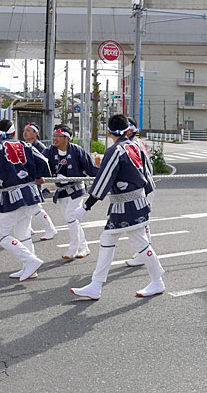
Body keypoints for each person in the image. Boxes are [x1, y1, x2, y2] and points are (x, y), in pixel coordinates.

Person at [70, 114, 165, 300]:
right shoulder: (135, 146)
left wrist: (86, 206)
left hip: (125, 205)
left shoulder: (116, 150)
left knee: (133, 242)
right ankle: (97, 285)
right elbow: (147, 173)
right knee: (113, 240)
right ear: (127, 129)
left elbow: (103, 180)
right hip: (137, 201)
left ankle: (156, 280)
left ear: (109, 131)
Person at [0, 119, 50, 281]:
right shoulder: (26, 145)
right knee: (23, 233)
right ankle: (30, 269)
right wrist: (39, 175)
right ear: (14, 133)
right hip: (31, 192)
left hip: (13, 195)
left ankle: (31, 261)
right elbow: (43, 161)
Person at [46, 124, 99, 260]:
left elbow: (91, 168)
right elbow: (41, 164)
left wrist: (102, 178)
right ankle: (84, 247)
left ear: (67, 138)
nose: (55, 138)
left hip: (76, 188)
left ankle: (73, 248)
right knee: (71, 220)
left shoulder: (77, 150)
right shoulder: (50, 150)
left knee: (71, 216)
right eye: (54, 136)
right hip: (61, 190)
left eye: (58, 136)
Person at [124, 117, 155, 268]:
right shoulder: (137, 142)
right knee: (143, 222)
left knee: (139, 224)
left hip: (142, 188)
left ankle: (144, 255)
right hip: (146, 186)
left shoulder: (132, 144)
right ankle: (144, 252)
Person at [22, 122, 57, 241]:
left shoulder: (39, 147)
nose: (25, 133)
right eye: (24, 130)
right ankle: (27, 229)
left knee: (35, 206)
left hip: (35, 180)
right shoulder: (25, 145)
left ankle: (50, 229)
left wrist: (40, 176)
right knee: (26, 206)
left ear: (36, 133)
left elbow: (44, 163)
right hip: (27, 180)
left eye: (28, 130)